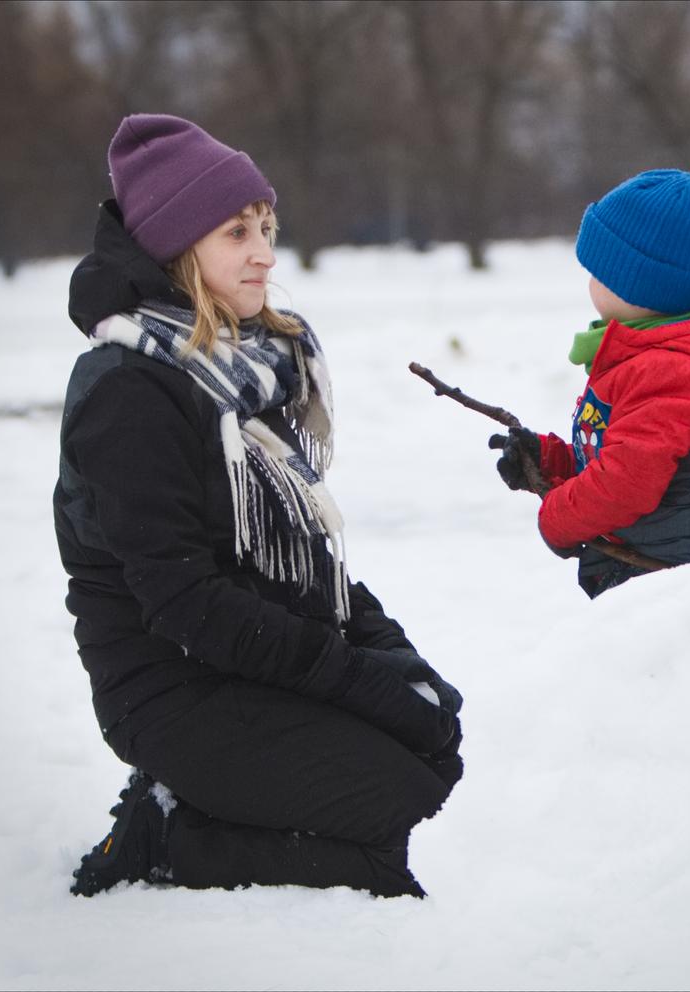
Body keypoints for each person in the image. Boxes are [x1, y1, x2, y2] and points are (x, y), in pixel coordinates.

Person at [56, 113, 462, 899]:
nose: (265, 255)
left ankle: (210, 803)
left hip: (249, 656)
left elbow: (305, 552)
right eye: (237, 232)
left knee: (433, 750)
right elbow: (185, 604)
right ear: (179, 246)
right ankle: (167, 833)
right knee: (389, 821)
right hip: (169, 685)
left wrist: (395, 656)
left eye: (266, 228)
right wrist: (355, 680)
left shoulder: (250, 363)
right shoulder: (128, 391)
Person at [493, 169, 690, 598]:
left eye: (598, 271)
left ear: (636, 286)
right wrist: (552, 463)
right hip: (662, 565)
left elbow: (624, 487)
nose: (589, 283)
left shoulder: (668, 372)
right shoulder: (655, 358)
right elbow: (638, 459)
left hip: (679, 584)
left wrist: (555, 518)